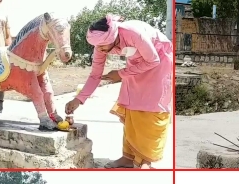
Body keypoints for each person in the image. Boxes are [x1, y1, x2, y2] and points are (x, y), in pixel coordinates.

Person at [65, 14, 173, 169]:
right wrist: (78, 100)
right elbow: (95, 75)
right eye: (97, 47)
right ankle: (128, 158)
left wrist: (121, 74)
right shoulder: (101, 45)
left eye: (103, 46)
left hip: (159, 62)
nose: (100, 50)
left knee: (150, 111)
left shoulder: (133, 33)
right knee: (131, 109)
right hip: (135, 65)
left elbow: (153, 60)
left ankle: (145, 161)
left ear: (113, 37)